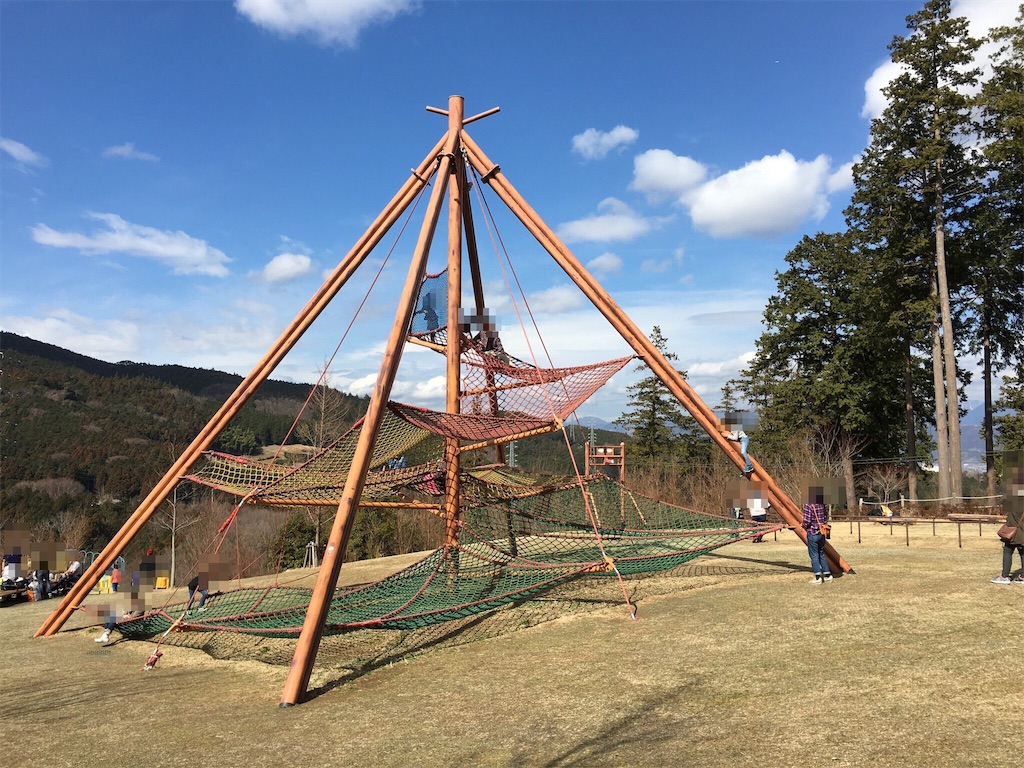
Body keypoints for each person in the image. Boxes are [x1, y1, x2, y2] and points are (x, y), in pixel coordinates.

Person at [992, 454, 1024, 585]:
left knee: (1008, 549)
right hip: (1022, 528)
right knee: (1023, 550)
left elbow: (1011, 511)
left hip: (1015, 527)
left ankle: (1005, 576)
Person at [802, 485, 833, 584]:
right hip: (822, 532)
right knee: (821, 554)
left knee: (814, 555)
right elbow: (825, 518)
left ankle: (818, 577)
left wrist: (803, 526)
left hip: (812, 532)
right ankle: (828, 574)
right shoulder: (822, 504)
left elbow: (807, 520)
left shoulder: (809, 505)